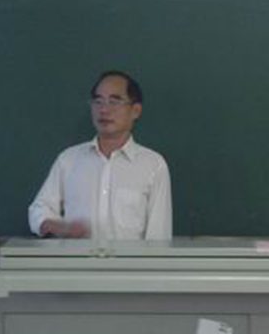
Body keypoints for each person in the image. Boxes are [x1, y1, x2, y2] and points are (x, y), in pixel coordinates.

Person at [28, 70, 172, 240]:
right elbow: (39, 209)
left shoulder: (153, 165)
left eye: (114, 101)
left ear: (135, 110)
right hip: (75, 257)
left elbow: (158, 236)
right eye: (98, 101)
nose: (104, 109)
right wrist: (57, 226)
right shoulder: (68, 160)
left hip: (130, 259)